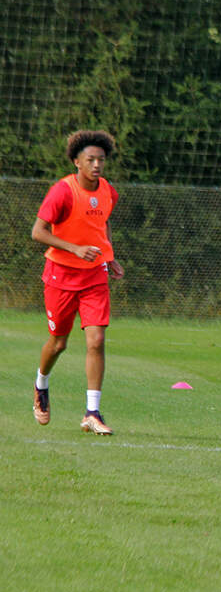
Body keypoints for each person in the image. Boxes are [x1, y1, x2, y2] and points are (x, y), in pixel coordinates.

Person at [31, 130, 125, 435]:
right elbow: (38, 232)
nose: (97, 165)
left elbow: (104, 220)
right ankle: (41, 383)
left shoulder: (107, 190)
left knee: (96, 340)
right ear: (77, 162)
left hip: (94, 275)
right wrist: (74, 249)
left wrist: (109, 256)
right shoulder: (62, 191)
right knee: (58, 343)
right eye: (90, 159)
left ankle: (92, 412)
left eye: (101, 159)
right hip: (60, 275)